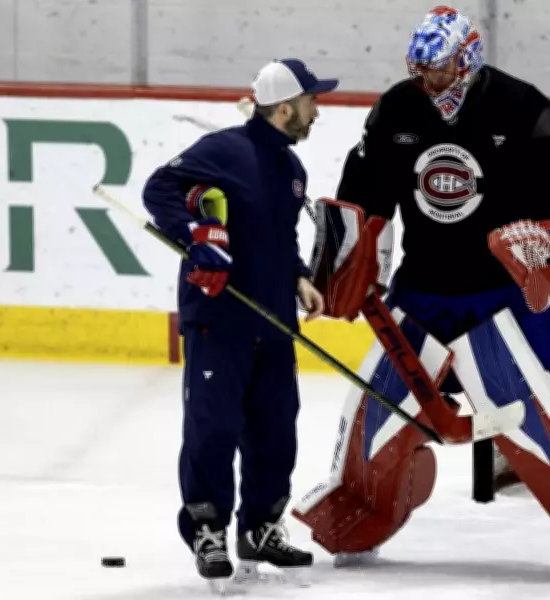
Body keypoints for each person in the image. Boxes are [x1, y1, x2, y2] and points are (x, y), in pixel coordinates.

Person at [292, 6, 550, 575]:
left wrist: (545, 244)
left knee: (534, 413)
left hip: (499, 298)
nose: (428, 83)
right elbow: (364, 194)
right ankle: (362, 502)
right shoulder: (397, 109)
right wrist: (343, 261)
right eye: (421, 71)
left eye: (438, 71)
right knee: (376, 407)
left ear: (468, 59)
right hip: (422, 292)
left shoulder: (524, 107)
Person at [142, 58, 336, 586]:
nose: (318, 110)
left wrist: (298, 277)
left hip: (274, 323)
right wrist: (196, 236)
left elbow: (282, 236)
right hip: (219, 323)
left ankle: (262, 528)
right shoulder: (222, 150)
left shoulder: (292, 170)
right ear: (285, 107)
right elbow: (158, 190)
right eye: (312, 101)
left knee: (276, 432)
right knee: (213, 429)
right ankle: (208, 532)